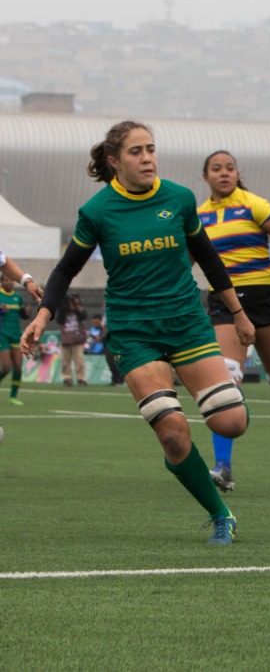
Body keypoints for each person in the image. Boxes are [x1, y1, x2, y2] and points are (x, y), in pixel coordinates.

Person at [19, 120, 252, 544]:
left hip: (186, 324)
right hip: (133, 332)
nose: (147, 158)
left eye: (151, 149)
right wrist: (41, 315)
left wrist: (238, 313)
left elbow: (209, 259)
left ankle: (184, 454)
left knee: (232, 422)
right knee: (173, 435)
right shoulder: (97, 211)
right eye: (136, 151)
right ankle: (221, 515)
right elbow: (66, 268)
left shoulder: (179, 199)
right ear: (114, 161)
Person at [199, 150, 270, 493]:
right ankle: (223, 467)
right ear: (206, 177)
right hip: (225, 301)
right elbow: (185, 259)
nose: (224, 173)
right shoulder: (198, 216)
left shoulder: (254, 205)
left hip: (266, 299)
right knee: (226, 379)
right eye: (217, 169)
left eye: (230, 168)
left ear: (237, 173)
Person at [0, 275, 29, 404]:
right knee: (6, 367)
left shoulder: (18, 297)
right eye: (6, 280)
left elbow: (23, 315)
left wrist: (27, 313)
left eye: (11, 280)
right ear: (1, 282)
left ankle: (13, 396)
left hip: (16, 334)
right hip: (2, 334)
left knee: (17, 366)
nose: (9, 282)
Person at [57, 292, 89, 386]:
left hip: (77, 338)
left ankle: (81, 378)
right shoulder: (63, 310)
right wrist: (64, 308)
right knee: (65, 361)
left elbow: (84, 316)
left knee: (79, 360)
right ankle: (67, 378)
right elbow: (59, 320)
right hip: (66, 338)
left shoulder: (79, 309)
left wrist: (76, 308)